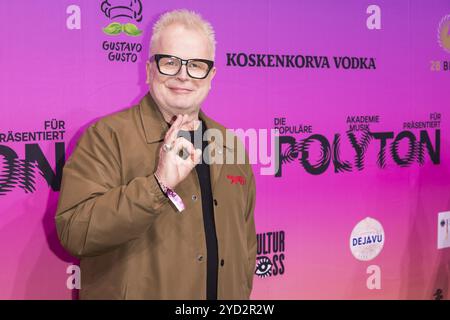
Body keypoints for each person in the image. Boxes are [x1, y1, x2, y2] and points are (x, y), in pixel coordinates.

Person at [55, 9, 257, 300]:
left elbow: (246, 245)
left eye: (196, 65)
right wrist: (157, 185)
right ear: (150, 70)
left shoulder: (230, 144)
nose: (183, 75)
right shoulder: (107, 137)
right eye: (170, 62)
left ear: (211, 75)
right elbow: (75, 232)